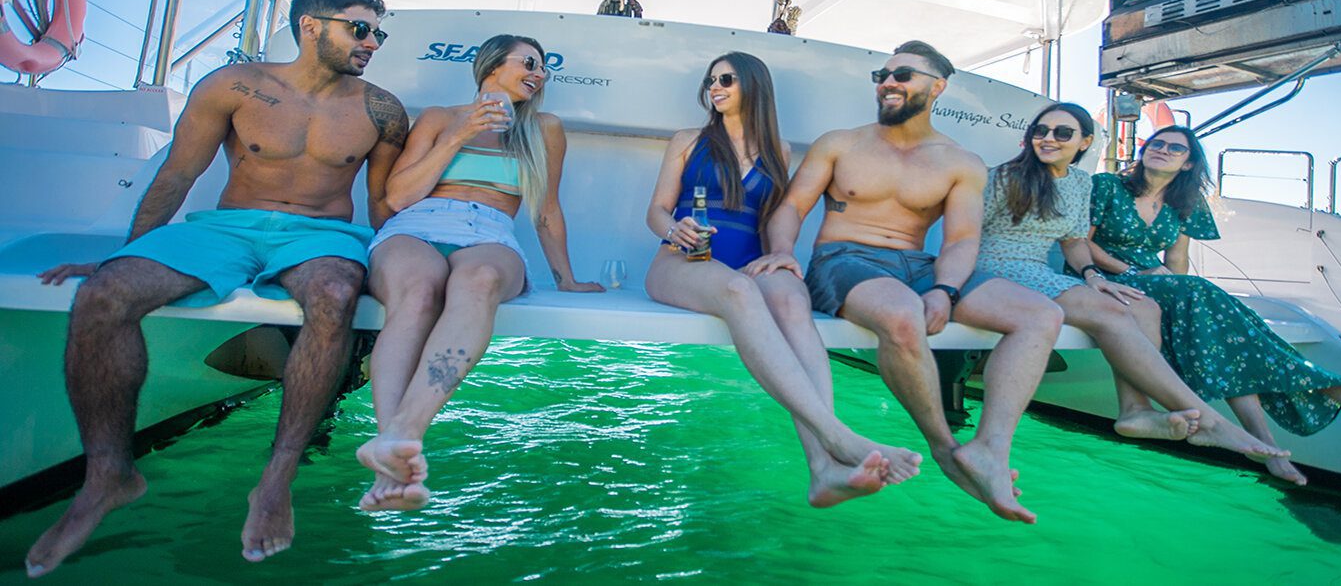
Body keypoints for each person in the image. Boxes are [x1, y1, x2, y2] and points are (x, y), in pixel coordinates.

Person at [25, 0, 408, 574]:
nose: (372, 43)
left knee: (334, 295)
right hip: (227, 227)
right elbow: (179, 174)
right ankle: (108, 476)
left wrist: (404, 275)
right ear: (309, 25)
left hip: (322, 234)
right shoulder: (235, 86)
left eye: (378, 33)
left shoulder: (380, 108)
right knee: (104, 294)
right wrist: (128, 254)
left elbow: (383, 205)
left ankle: (276, 477)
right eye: (360, 30)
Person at [748, 40, 1062, 525]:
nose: (889, 82)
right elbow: (791, 206)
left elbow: (960, 239)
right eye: (884, 74)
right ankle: (944, 447)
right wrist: (783, 253)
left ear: (937, 87)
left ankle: (989, 451)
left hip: (920, 264)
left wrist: (945, 289)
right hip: (844, 259)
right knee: (901, 314)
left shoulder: (960, 161)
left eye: (903, 75)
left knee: (1042, 314)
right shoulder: (841, 142)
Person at [644, 52, 921, 508]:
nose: (716, 87)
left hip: (750, 260)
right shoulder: (688, 140)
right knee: (738, 291)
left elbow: (773, 215)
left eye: (727, 79)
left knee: (793, 300)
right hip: (682, 259)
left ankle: (824, 471)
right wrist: (673, 229)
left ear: (752, 85)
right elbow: (656, 209)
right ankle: (838, 438)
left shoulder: (779, 151)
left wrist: (782, 255)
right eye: (712, 80)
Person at [356, 34, 602, 512]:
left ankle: (403, 436)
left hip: (490, 232)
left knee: (480, 281)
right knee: (417, 289)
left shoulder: (545, 128)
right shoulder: (439, 118)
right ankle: (391, 447)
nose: (540, 73)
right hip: (419, 224)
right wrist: (457, 136)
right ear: (491, 66)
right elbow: (398, 197)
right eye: (529, 62)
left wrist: (566, 278)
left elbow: (546, 211)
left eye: (544, 66)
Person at [976, 103, 1286, 458]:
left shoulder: (1079, 182)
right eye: (1040, 131)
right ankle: (1211, 421)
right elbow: (966, 231)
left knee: (1141, 306)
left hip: (1040, 273)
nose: (1048, 138)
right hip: (998, 268)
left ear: (1084, 142)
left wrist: (1092, 275)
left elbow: (1075, 241)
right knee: (1116, 312)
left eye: (1062, 133)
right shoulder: (1004, 177)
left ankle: (1135, 410)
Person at [1087, 125, 1341, 485]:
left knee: (1226, 341)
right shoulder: (1106, 186)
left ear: (1187, 164)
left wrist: (1174, 287)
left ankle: (1262, 444)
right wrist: (1140, 271)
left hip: (1156, 283)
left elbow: (1177, 259)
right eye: (1156, 143)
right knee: (1207, 302)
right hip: (1104, 277)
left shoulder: (1185, 203)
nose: (1162, 149)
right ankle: (1316, 382)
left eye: (1175, 148)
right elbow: (1081, 244)